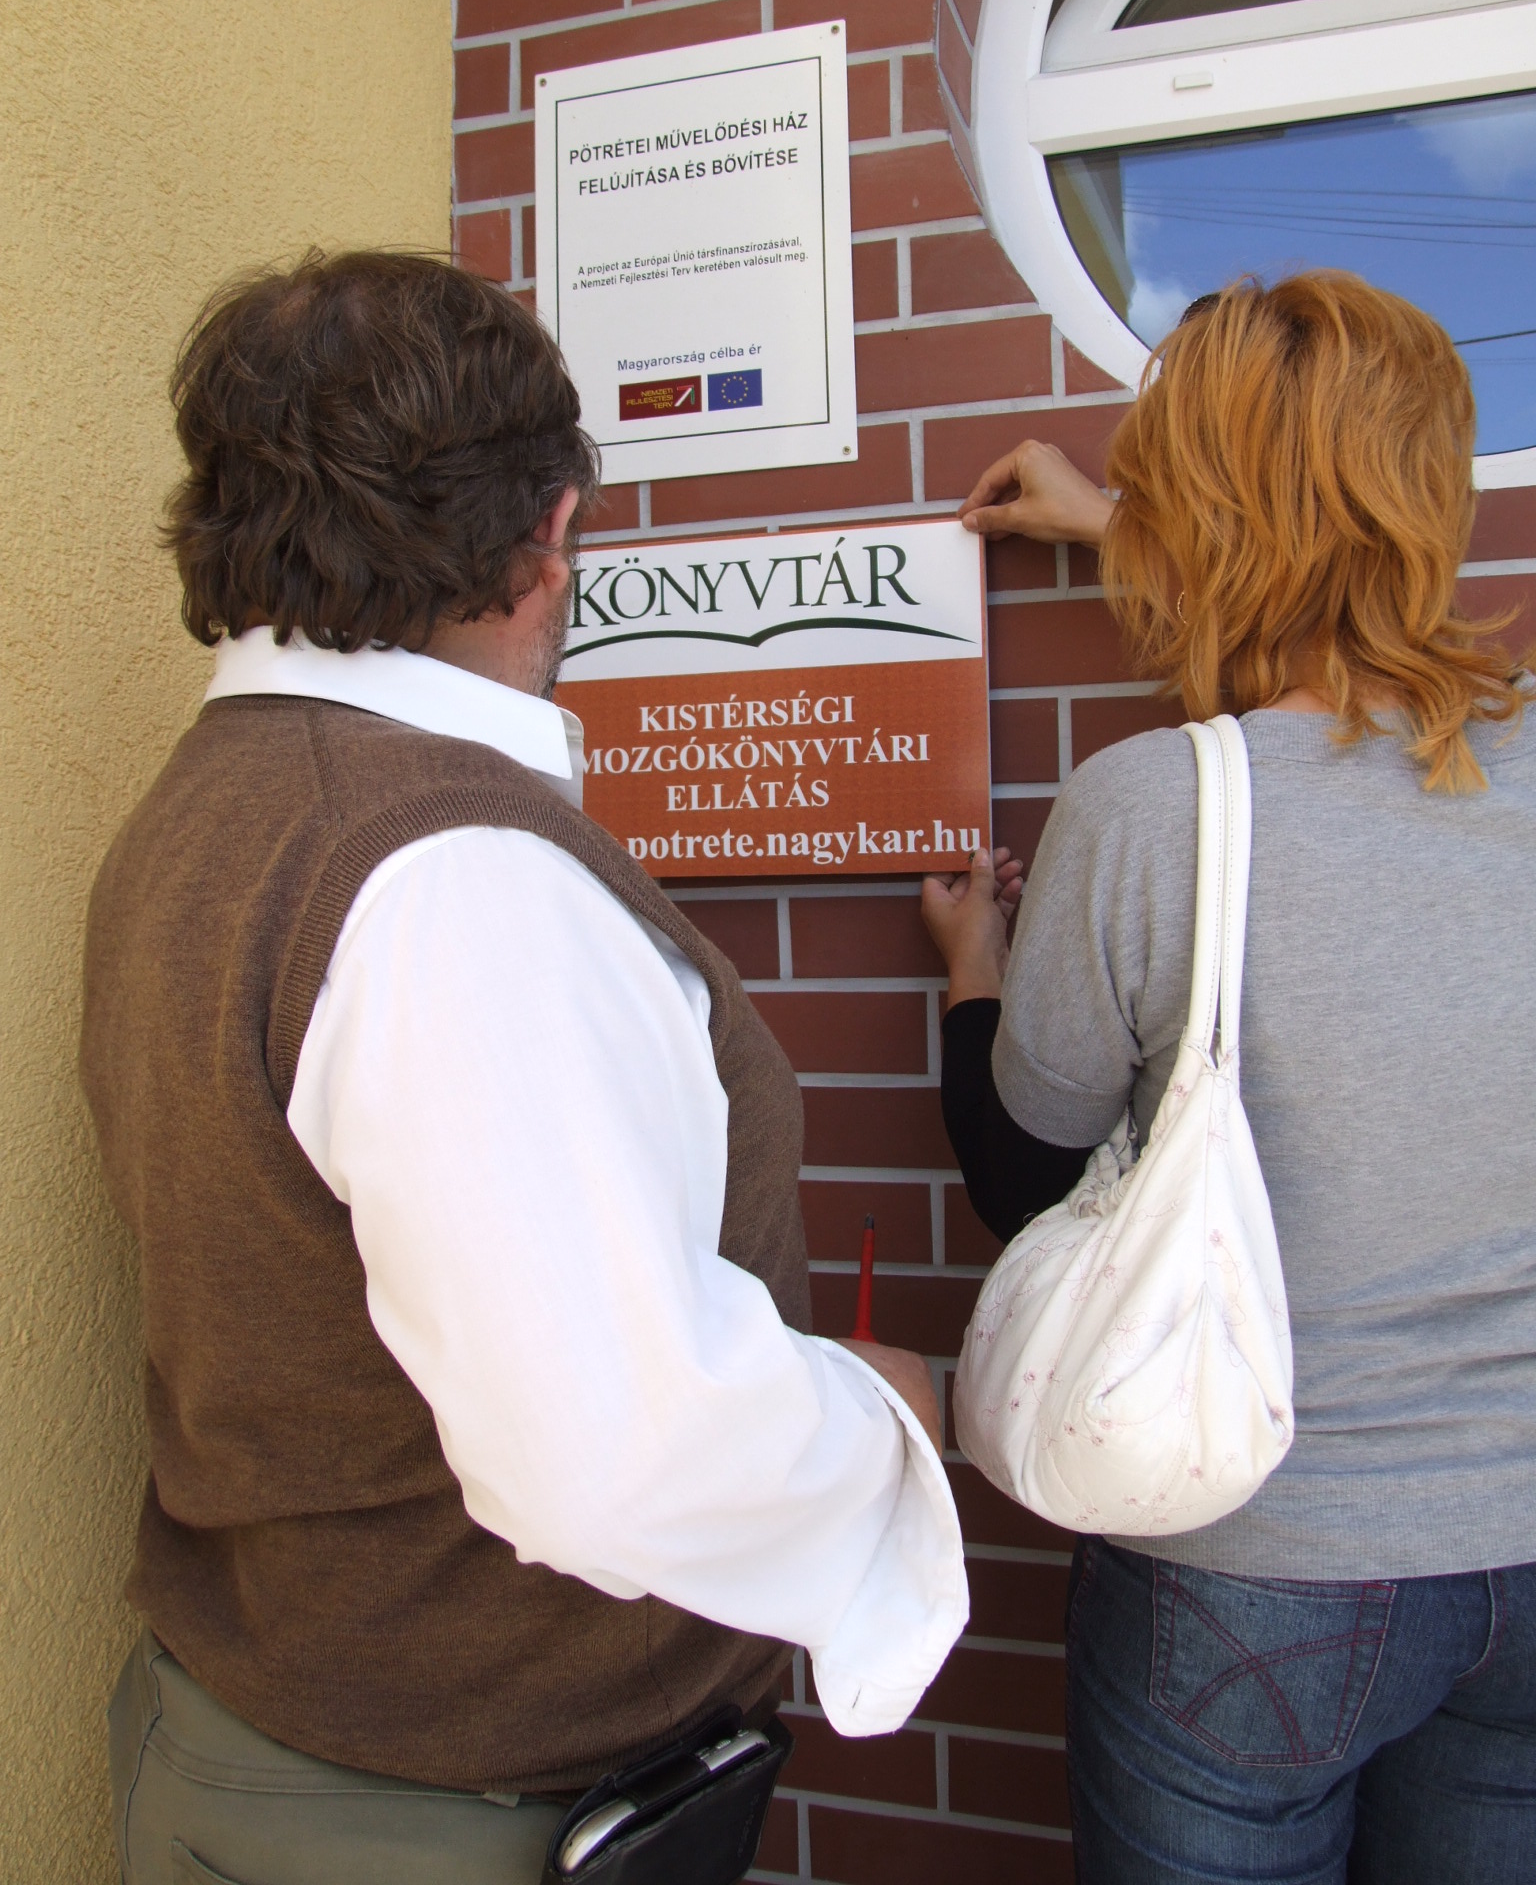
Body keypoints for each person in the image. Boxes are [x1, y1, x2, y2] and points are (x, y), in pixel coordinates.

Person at [81, 251, 966, 1885]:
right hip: (444, 1813)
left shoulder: (209, 801)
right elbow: (614, 1453)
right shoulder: (448, 876)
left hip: (273, 1739)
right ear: (547, 531)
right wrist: (887, 1413)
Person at [922, 272, 1536, 1885]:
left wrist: (974, 971)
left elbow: (1023, 1182)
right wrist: (1110, 517)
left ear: (1194, 516)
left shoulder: (1157, 808)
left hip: (1258, 1566)